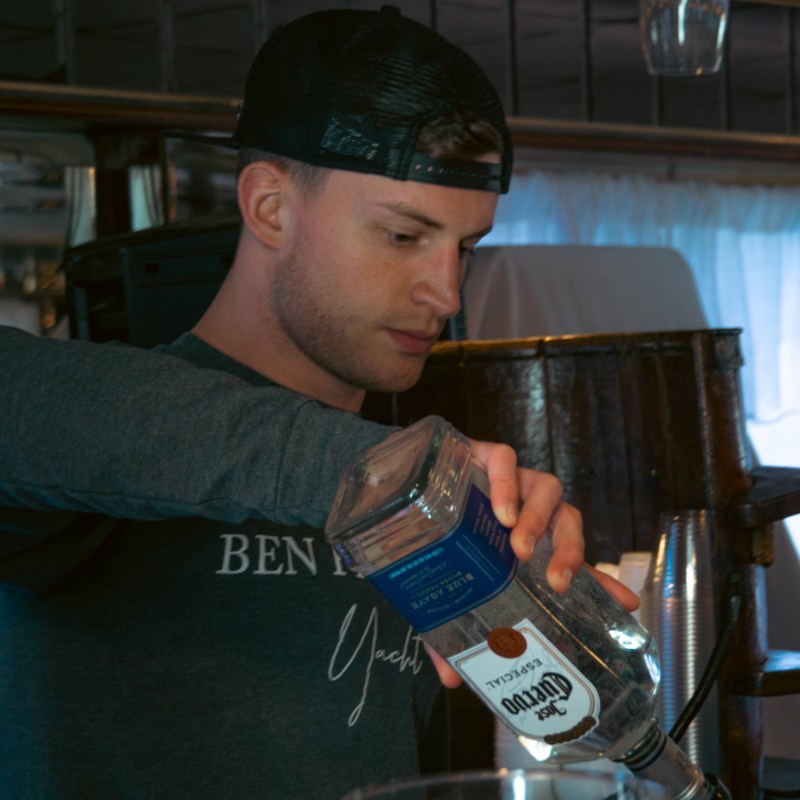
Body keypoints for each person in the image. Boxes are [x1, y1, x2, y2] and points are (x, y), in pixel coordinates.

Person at [0, 8, 636, 799]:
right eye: (403, 236)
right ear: (270, 207)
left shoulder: (430, 499)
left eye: (465, 247)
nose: (446, 294)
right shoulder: (97, 449)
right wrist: (382, 474)